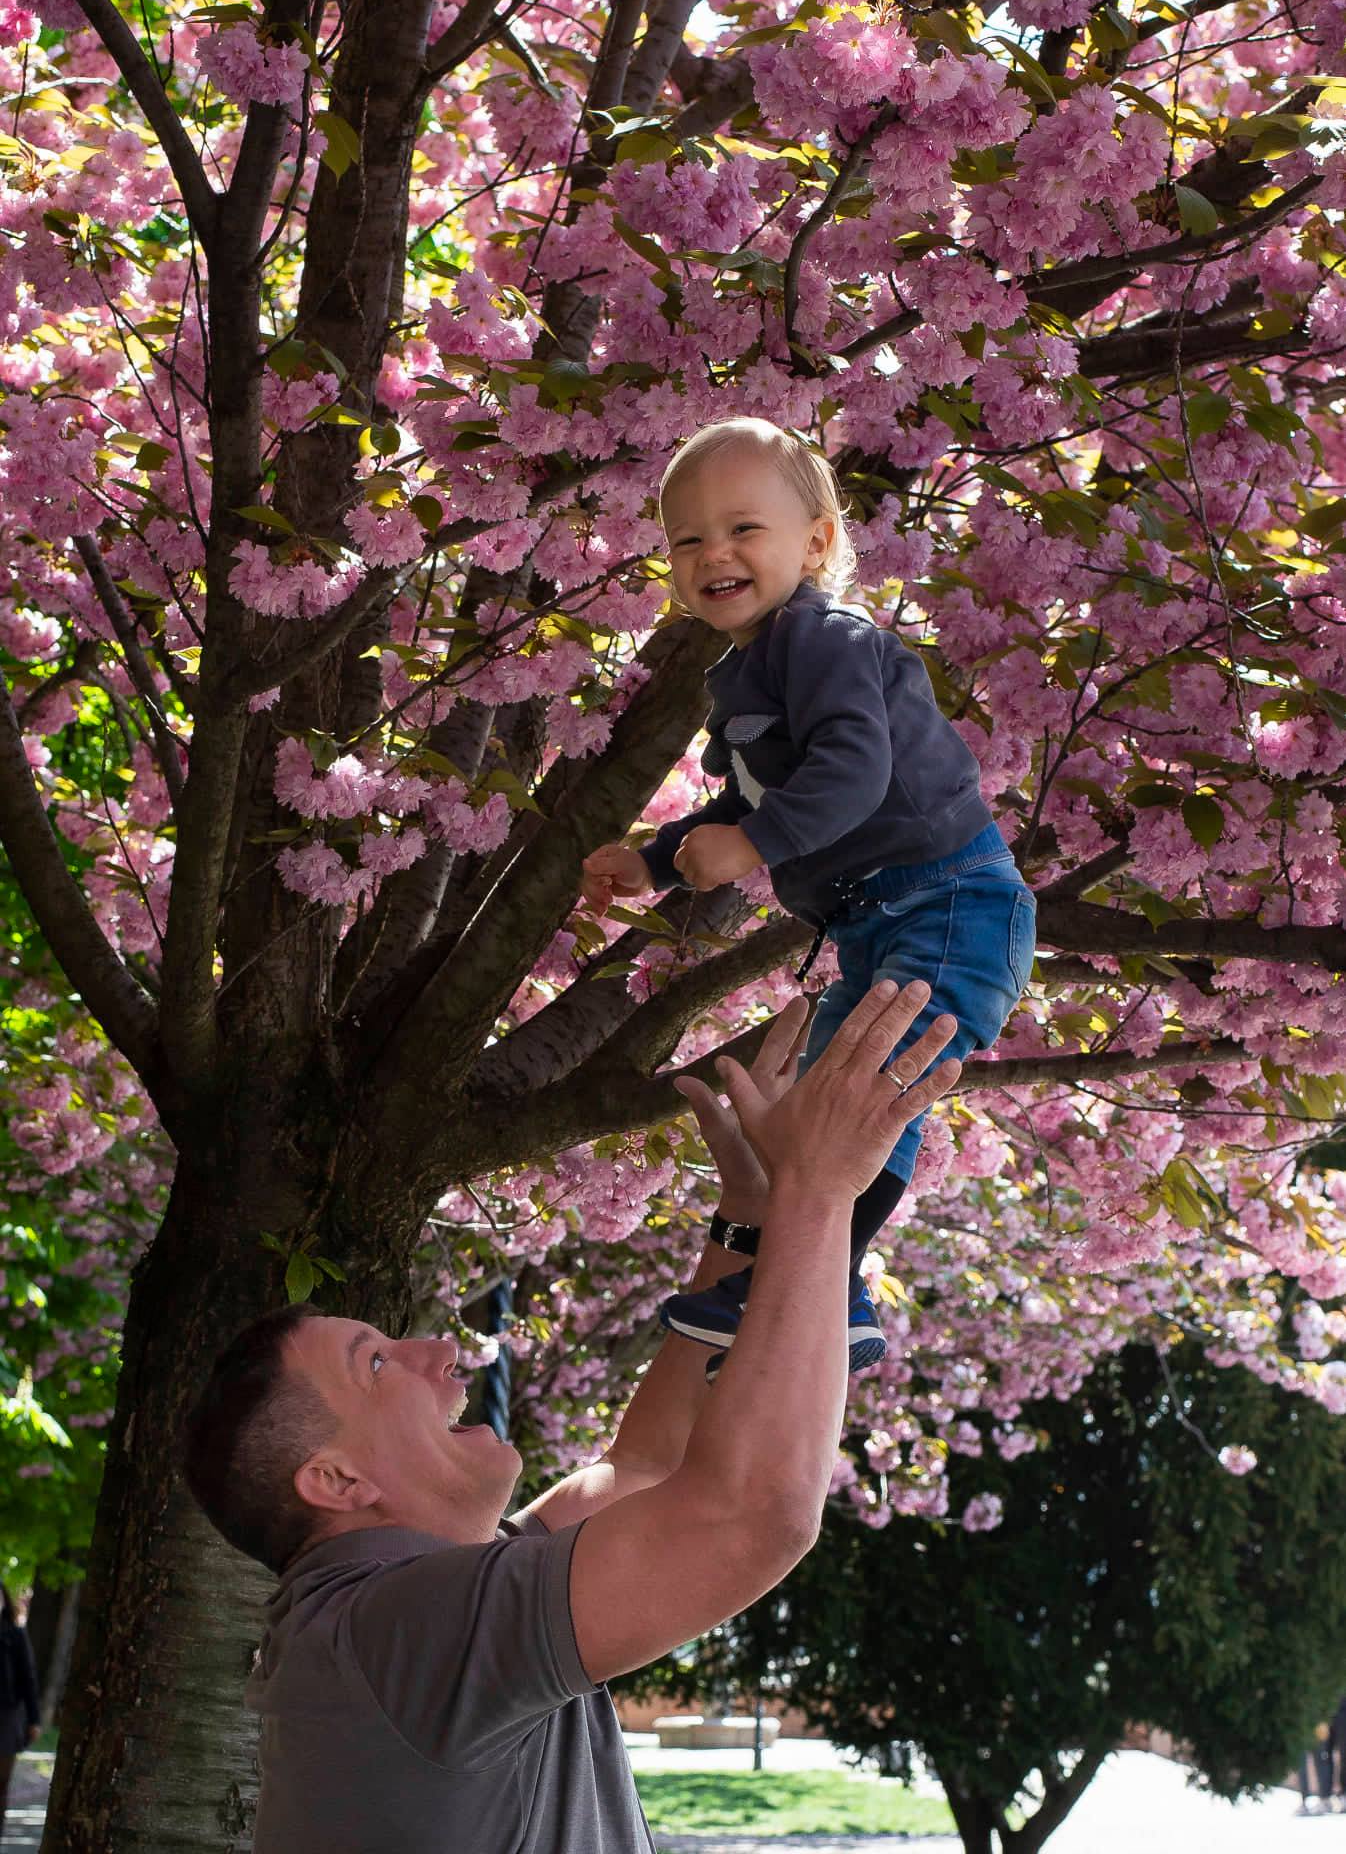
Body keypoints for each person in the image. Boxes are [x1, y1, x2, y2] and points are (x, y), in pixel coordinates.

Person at [185, 979, 959, 1854]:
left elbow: (645, 1472)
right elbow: (751, 1517)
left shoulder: (413, 1608)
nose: (439, 1352)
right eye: (376, 1361)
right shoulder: (393, 1637)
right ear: (334, 1479)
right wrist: (816, 1193)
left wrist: (749, 1221)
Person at [581, 415, 1036, 1373]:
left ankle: (823, 1273)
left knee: (854, 1096)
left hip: (950, 902)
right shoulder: (748, 665)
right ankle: (833, 1283)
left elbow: (853, 770)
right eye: (687, 540)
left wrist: (750, 845)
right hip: (891, 914)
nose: (715, 554)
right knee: (849, 1095)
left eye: (744, 529)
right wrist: (661, 861)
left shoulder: (823, 636)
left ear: (819, 542)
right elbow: (759, 794)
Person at [0, 1582, 40, 1845]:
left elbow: (28, 1677)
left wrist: (34, 1719)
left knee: (0, 1784)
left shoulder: (14, 1634)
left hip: (6, 1718)